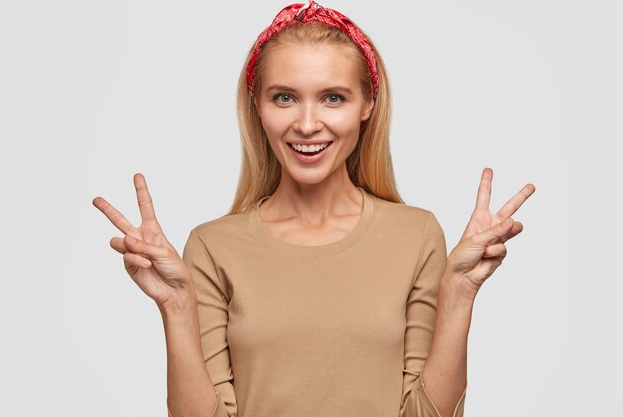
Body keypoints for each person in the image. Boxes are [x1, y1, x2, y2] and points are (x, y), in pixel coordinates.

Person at [92, 1, 535, 417]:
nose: (306, 124)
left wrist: (459, 293)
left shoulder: (416, 235)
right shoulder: (212, 246)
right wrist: (174, 304)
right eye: (284, 97)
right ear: (258, 108)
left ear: (367, 106)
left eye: (333, 98)